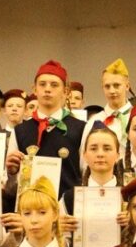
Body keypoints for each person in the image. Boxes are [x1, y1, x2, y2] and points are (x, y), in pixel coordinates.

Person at [5, 60, 87, 199]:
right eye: (42, 84)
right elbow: (12, 186)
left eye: (54, 85)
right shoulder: (19, 131)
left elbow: (86, 174)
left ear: (65, 92)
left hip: (68, 208)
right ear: (34, 89)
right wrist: (12, 173)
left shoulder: (81, 128)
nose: (47, 89)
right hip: (31, 209)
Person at [85, 59, 133, 152]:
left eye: (116, 85)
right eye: (107, 86)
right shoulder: (94, 121)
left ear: (127, 86)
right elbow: (85, 157)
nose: (112, 91)